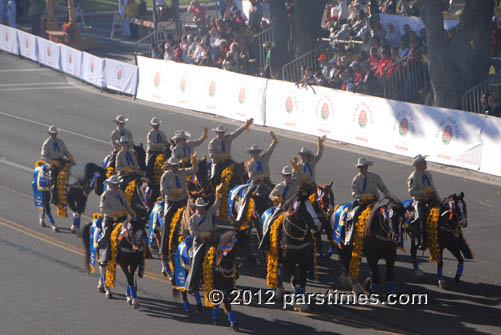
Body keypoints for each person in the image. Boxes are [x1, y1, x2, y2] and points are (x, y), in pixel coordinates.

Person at [160, 154, 199, 273]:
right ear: (169, 166)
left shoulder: (182, 172)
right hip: (171, 202)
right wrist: (172, 192)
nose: (175, 168)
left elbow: (194, 170)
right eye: (173, 166)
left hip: (182, 201)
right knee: (167, 223)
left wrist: (194, 161)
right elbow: (162, 191)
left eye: (176, 166)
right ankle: (164, 251)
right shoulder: (166, 176)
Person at [98, 175, 136, 296]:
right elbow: (103, 209)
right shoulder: (105, 195)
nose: (116, 187)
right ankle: (104, 256)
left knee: (135, 232)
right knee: (107, 237)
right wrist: (114, 213)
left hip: (122, 218)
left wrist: (131, 212)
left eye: (117, 185)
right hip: (110, 220)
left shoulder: (120, 193)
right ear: (109, 185)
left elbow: (125, 205)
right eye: (114, 185)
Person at [185, 188, 222, 294]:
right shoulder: (193, 219)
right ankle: (190, 284)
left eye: (203, 207)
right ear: (196, 208)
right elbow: (192, 232)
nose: (201, 209)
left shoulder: (208, 214)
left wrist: (218, 195)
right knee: (196, 261)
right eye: (199, 208)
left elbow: (216, 206)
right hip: (199, 242)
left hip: (211, 239)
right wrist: (202, 234)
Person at [408, 154, 440, 250]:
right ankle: (422, 241)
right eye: (423, 162)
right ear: (418, 165)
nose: (426, 164)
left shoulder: (428, 174)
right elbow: (411, 192)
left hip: (431, 198)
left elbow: (432, 187)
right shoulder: (413, 177)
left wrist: (438, 198)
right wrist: (423, 192)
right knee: (422, 219)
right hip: (420, 200)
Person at [208, 119, 253, 184]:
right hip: (217, 162)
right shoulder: (213, 142)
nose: (221, 134)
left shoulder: (228, 138)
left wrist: (246, 126)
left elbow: (236, 133)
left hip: (228, 160)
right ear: (216, 133)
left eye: (222, 133)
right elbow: (212, 155)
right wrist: (221, 156)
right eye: (219, 133)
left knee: (239, 168)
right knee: (214, 177)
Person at [41, 125, 75, 205]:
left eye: (55, 133)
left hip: (61, 160)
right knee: (55, 180)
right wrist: (52, 162)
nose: (54, 135)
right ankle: (54, 199)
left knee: (73, 171)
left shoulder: (60, 141)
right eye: (52, 133)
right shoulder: (47, 144)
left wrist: (71, 158)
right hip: (52, 163)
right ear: (49, 133)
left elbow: (65, 151)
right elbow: (43, 157)